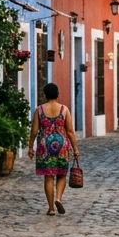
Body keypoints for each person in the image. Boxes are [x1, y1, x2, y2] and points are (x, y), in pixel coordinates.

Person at [27, 82, 80, 216]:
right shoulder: (64, 110)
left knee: (48, 176)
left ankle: (51, 208)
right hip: (61, 145)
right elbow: (70, 131)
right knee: (61, 174)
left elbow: (34, 131)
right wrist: (75, 148)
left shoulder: (39, 110)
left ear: (44, 94)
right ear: (58, 94)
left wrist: (30, 147)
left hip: (45, 146)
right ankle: (58, 198)